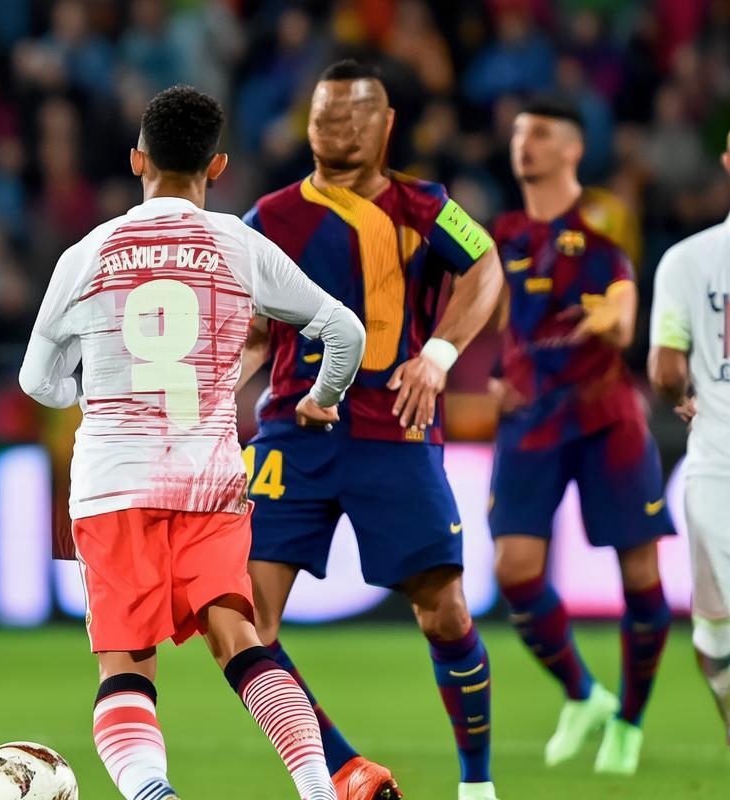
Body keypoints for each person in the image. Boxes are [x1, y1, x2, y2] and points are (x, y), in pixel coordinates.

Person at [20, 85, 367, 800]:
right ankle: (317, 789)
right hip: (208, 483)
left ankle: (154, 792)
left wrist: (87, 395)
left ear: (136, 159)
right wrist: (322, 397)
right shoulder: (240, 245)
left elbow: (36, 380)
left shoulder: (87, 253)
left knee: (125, 666)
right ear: (217, 167)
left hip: (113, 486)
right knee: (240, 640)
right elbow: (344, 331)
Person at [240, 60, 504, 800]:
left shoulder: (426, 206)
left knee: (444, 613)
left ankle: (476, 783)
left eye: (352, 114)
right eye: (323, 114)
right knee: (243, 620)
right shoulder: (268, 219)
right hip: (292, 434)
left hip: (395, 430)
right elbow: (254, 333)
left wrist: (439, 355)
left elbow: (484, 265)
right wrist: (217, 391)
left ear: (386, 124)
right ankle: (345, 767)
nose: (335, 127)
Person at [490, 96, 674, 775]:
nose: (524, 143)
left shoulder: (601, 219)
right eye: (519, 133)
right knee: (514, 571)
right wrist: (497, 372)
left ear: (572, 148)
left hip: (604, 416)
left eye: (540, 133)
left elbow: (622, 301)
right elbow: (500, 315)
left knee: (641, 574)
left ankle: (630, 722)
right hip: (530, 417)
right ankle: (584, 694)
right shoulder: (503, 232)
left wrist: (614, 320)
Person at [647, 129, 730, 744]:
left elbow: (665, 369)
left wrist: (679, 391)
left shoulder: (687, 260)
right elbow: (667, 373)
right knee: (716, 634)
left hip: (716, 471)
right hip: (716, 467)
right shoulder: (687, 258)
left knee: (716, 633)